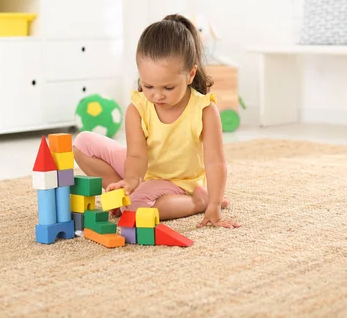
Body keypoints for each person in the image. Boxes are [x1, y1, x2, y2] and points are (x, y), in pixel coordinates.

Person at [73, 14, 240, 229]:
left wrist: (215, 204)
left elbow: (215, 162)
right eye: (148, 86)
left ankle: (197, 201)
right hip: (143, 169)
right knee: (82, 144)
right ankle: (122, 194)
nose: (157, 96)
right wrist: (131, 181)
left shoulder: (205, 110)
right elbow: (136, 155)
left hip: (180, 182)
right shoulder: (138, 108)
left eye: (168, 88)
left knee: (134, 207)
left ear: (190, 75)